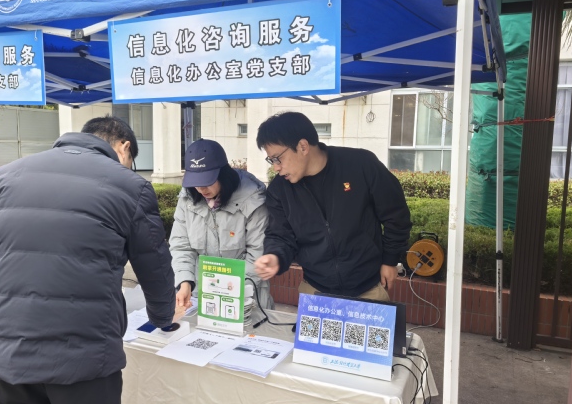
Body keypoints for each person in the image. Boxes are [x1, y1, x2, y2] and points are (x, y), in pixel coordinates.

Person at [0, 117, 183, 404]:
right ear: (124, 148)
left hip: (10, 350)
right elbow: (156, 270)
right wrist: (163, 318)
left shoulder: (3, 176)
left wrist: (20, 298)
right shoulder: (130, 186)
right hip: (86, 355)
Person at [254, 111, 411, 300]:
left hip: (369, 287)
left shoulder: (360, 165)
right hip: (315, 289)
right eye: (271, 160)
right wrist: (275, 256)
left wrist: (390, 260)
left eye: (277, 158)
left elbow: (396, 215)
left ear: (303, 146)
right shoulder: (279, 190)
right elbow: (280, 235)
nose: (276, 167)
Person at [171, 138, 273, 310]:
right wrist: (185, 282)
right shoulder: (187, 199)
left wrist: (225, 292)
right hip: (202, 296)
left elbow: (257, 254)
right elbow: (181, 246)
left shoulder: (252, 199)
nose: (201, 189)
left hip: (246, 296)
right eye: (195, 182)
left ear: (223, 174)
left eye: (207, 181)